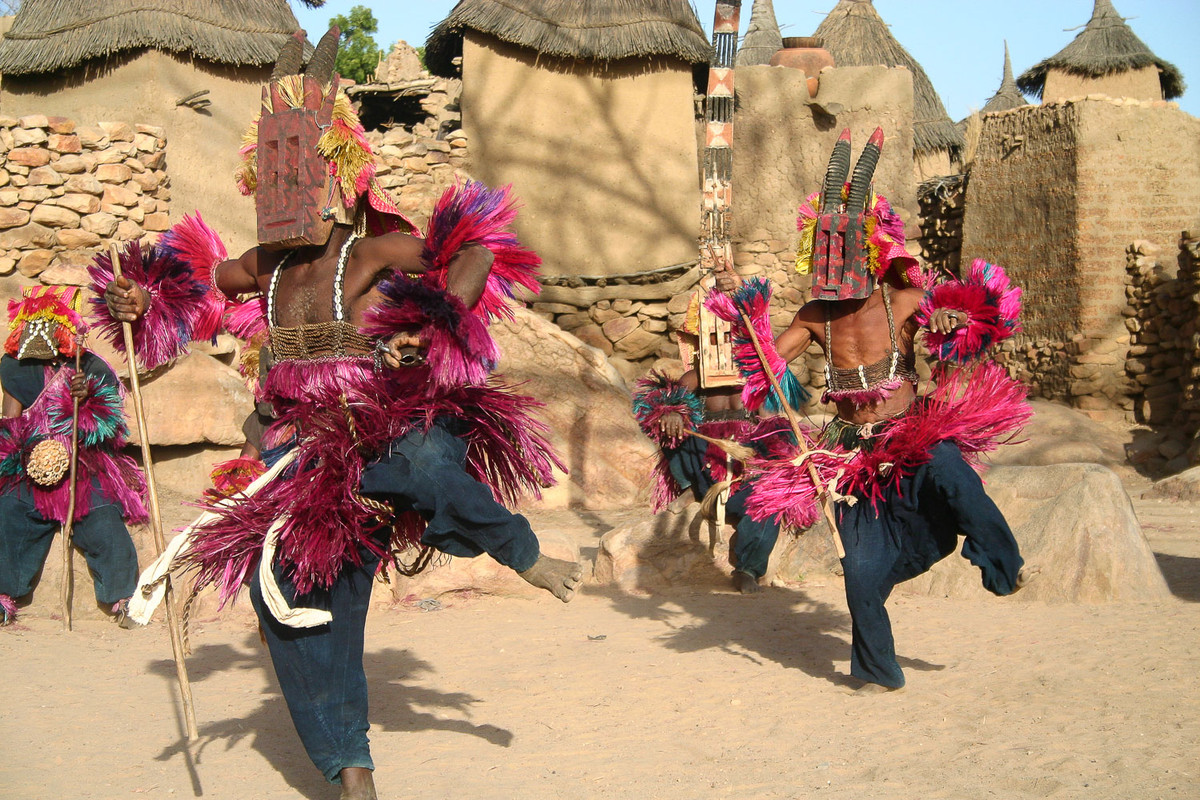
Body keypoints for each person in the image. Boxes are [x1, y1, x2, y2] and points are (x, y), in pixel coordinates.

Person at [94, 29, 580, 800]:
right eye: (274, 172)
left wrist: (435, 315)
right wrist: (140, 297)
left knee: (426, 461)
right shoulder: (265, 266)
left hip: (368, 439)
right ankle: (348, 766)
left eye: (299, 169)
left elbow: (474, 253)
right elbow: (194, 284)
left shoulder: (369, 253)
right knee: (289, 604)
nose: (284, 187)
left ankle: (520, 552)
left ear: (337, 175)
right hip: (292, 461)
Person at [708, 127, 1037, 691]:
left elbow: (974, 319)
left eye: (846, 250)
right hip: (850, 455)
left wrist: (951, 320)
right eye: (826, 252)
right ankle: (879, 673)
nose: (835, 264)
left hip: (912, 435)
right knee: (859, 575)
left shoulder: (904, 300)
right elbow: (766, 362)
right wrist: (742, 305)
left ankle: (1002, 564)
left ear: (870, 249)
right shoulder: (815, 315)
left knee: (954, 477)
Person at [0, 287, 146, 626]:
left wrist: (87, 399)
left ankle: (123, 598)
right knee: (9, 513)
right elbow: (10, 423)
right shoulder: (16, 368)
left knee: (104, 522)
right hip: (30, 467)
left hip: (85, 468)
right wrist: (24, 459)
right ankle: (4, 595)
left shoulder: (91, 367)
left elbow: (110, 430)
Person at [631, 312, 797, 593]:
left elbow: (773, 430)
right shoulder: (694, 378)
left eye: (732, 339)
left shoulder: (756, 379)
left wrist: (769, 463)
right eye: (715, 339)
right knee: (668, 421)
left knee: (768, 506)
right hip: (704, 472)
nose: (724, 346)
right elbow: (652, 410)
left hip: (743, 477)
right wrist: (671, 412)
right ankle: (690, 488)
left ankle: (747, 569)